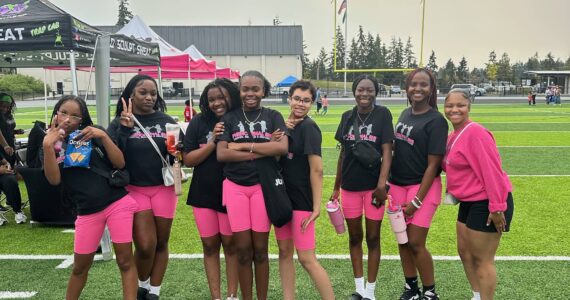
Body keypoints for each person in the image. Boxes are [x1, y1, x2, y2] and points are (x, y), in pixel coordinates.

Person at [42, 95, 138, 299]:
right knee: (79, 267)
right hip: (86, 210)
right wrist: (48, 147)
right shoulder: (50, 140)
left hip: (115, 202)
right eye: (64, 112)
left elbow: (120, 163)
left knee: (125, 260)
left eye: (75, 115)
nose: (68, 119)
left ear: (82, 119)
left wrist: (102, 136)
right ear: (56, 113)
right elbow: (54, 180)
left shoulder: (92, 133)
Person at [216, 70, 288, 300]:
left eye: (255, 89)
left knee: (260, 251)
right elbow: (222, 155)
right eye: (245, 89)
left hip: (262, 187)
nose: (250, 93)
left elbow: (281, 148)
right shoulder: (229, 118)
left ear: (264, 91)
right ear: (239, 90)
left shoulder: (274, 115)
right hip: (235, 187)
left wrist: (241, 146)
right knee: (243, 251)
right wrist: (260, 149)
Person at [108, 74, 177, 300]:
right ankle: (142, 285)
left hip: (163, 188)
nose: (149, 97)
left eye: (153, 93)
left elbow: (176, 153)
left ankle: (154, 292)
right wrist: (125, 129)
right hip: (134, 189)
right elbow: (113, 156)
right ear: (131, 95)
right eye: (143, 92)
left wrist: (178, 152)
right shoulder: (119, 122)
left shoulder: (166, 120)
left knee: (162, 242)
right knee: (146, 245)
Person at [443, 89, 514, 300]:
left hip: (487, 202)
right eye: (449, 106)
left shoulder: (476, 133)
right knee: (465, 253)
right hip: (468, 202)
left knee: (482, 259)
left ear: (469, 107)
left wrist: (497, 207)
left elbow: (492, 172)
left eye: (460, 105)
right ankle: (476, 295)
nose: (454, 109)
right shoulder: (452, 135)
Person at [332, 74, 394, 300]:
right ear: (354, 91)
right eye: (360, 90)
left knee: (373, 237)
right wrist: (336, 187)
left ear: (376, 92)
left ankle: (371, 291)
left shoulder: (383, 114)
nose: (364, 94)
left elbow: (387, 151)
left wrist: (381, 186)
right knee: (355, 237)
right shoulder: (347, 116)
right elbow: (343, 153)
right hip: (350, 187)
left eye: (369, 90)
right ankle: (358, 289)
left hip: (373, 188)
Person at [388, 68, 448, 300]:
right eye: (414, 84)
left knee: (415, 242)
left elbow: (433, 165)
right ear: (407, 87)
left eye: (424, 85)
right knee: (402, 240)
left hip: (422, 187)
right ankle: (410, 288)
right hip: (397, 186)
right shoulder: (404, 113)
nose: (418, 89)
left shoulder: (436, 121)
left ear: (432, 89)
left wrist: (416, 200)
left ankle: (430, 291)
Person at [274, 80, 334, 300]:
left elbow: (316, 170)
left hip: (302, 202)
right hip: (282, 200)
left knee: (307, 258)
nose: (300, 104)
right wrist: (279, 136)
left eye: (306, 100)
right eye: (297, 98)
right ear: (289, 99)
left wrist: (316, 207)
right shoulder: (284, 125)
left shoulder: (309, 127)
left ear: (312, 103)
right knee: (284, 253)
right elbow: (276, 160)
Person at [182, 78, 240, 300]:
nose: (217, 103)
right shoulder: (199, 122)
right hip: (203, 192)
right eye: (212, 99)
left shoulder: (239, 118)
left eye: (221, 97)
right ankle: (216, 296)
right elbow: (189, 160)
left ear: (231, 96)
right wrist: (212, 141)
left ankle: (232, 295)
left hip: (232, 191)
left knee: (231, 245)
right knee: (209, 246)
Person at [0, 93, 26, 224]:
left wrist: (16, 132)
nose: (5, 108)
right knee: (5, 174)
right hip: (3, 150)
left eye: (7, 106)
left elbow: (7, 130)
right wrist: (4, 146)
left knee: (9, 173)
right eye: (2, 105)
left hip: (10, 148)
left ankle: (12, 201)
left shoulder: (8, 115)